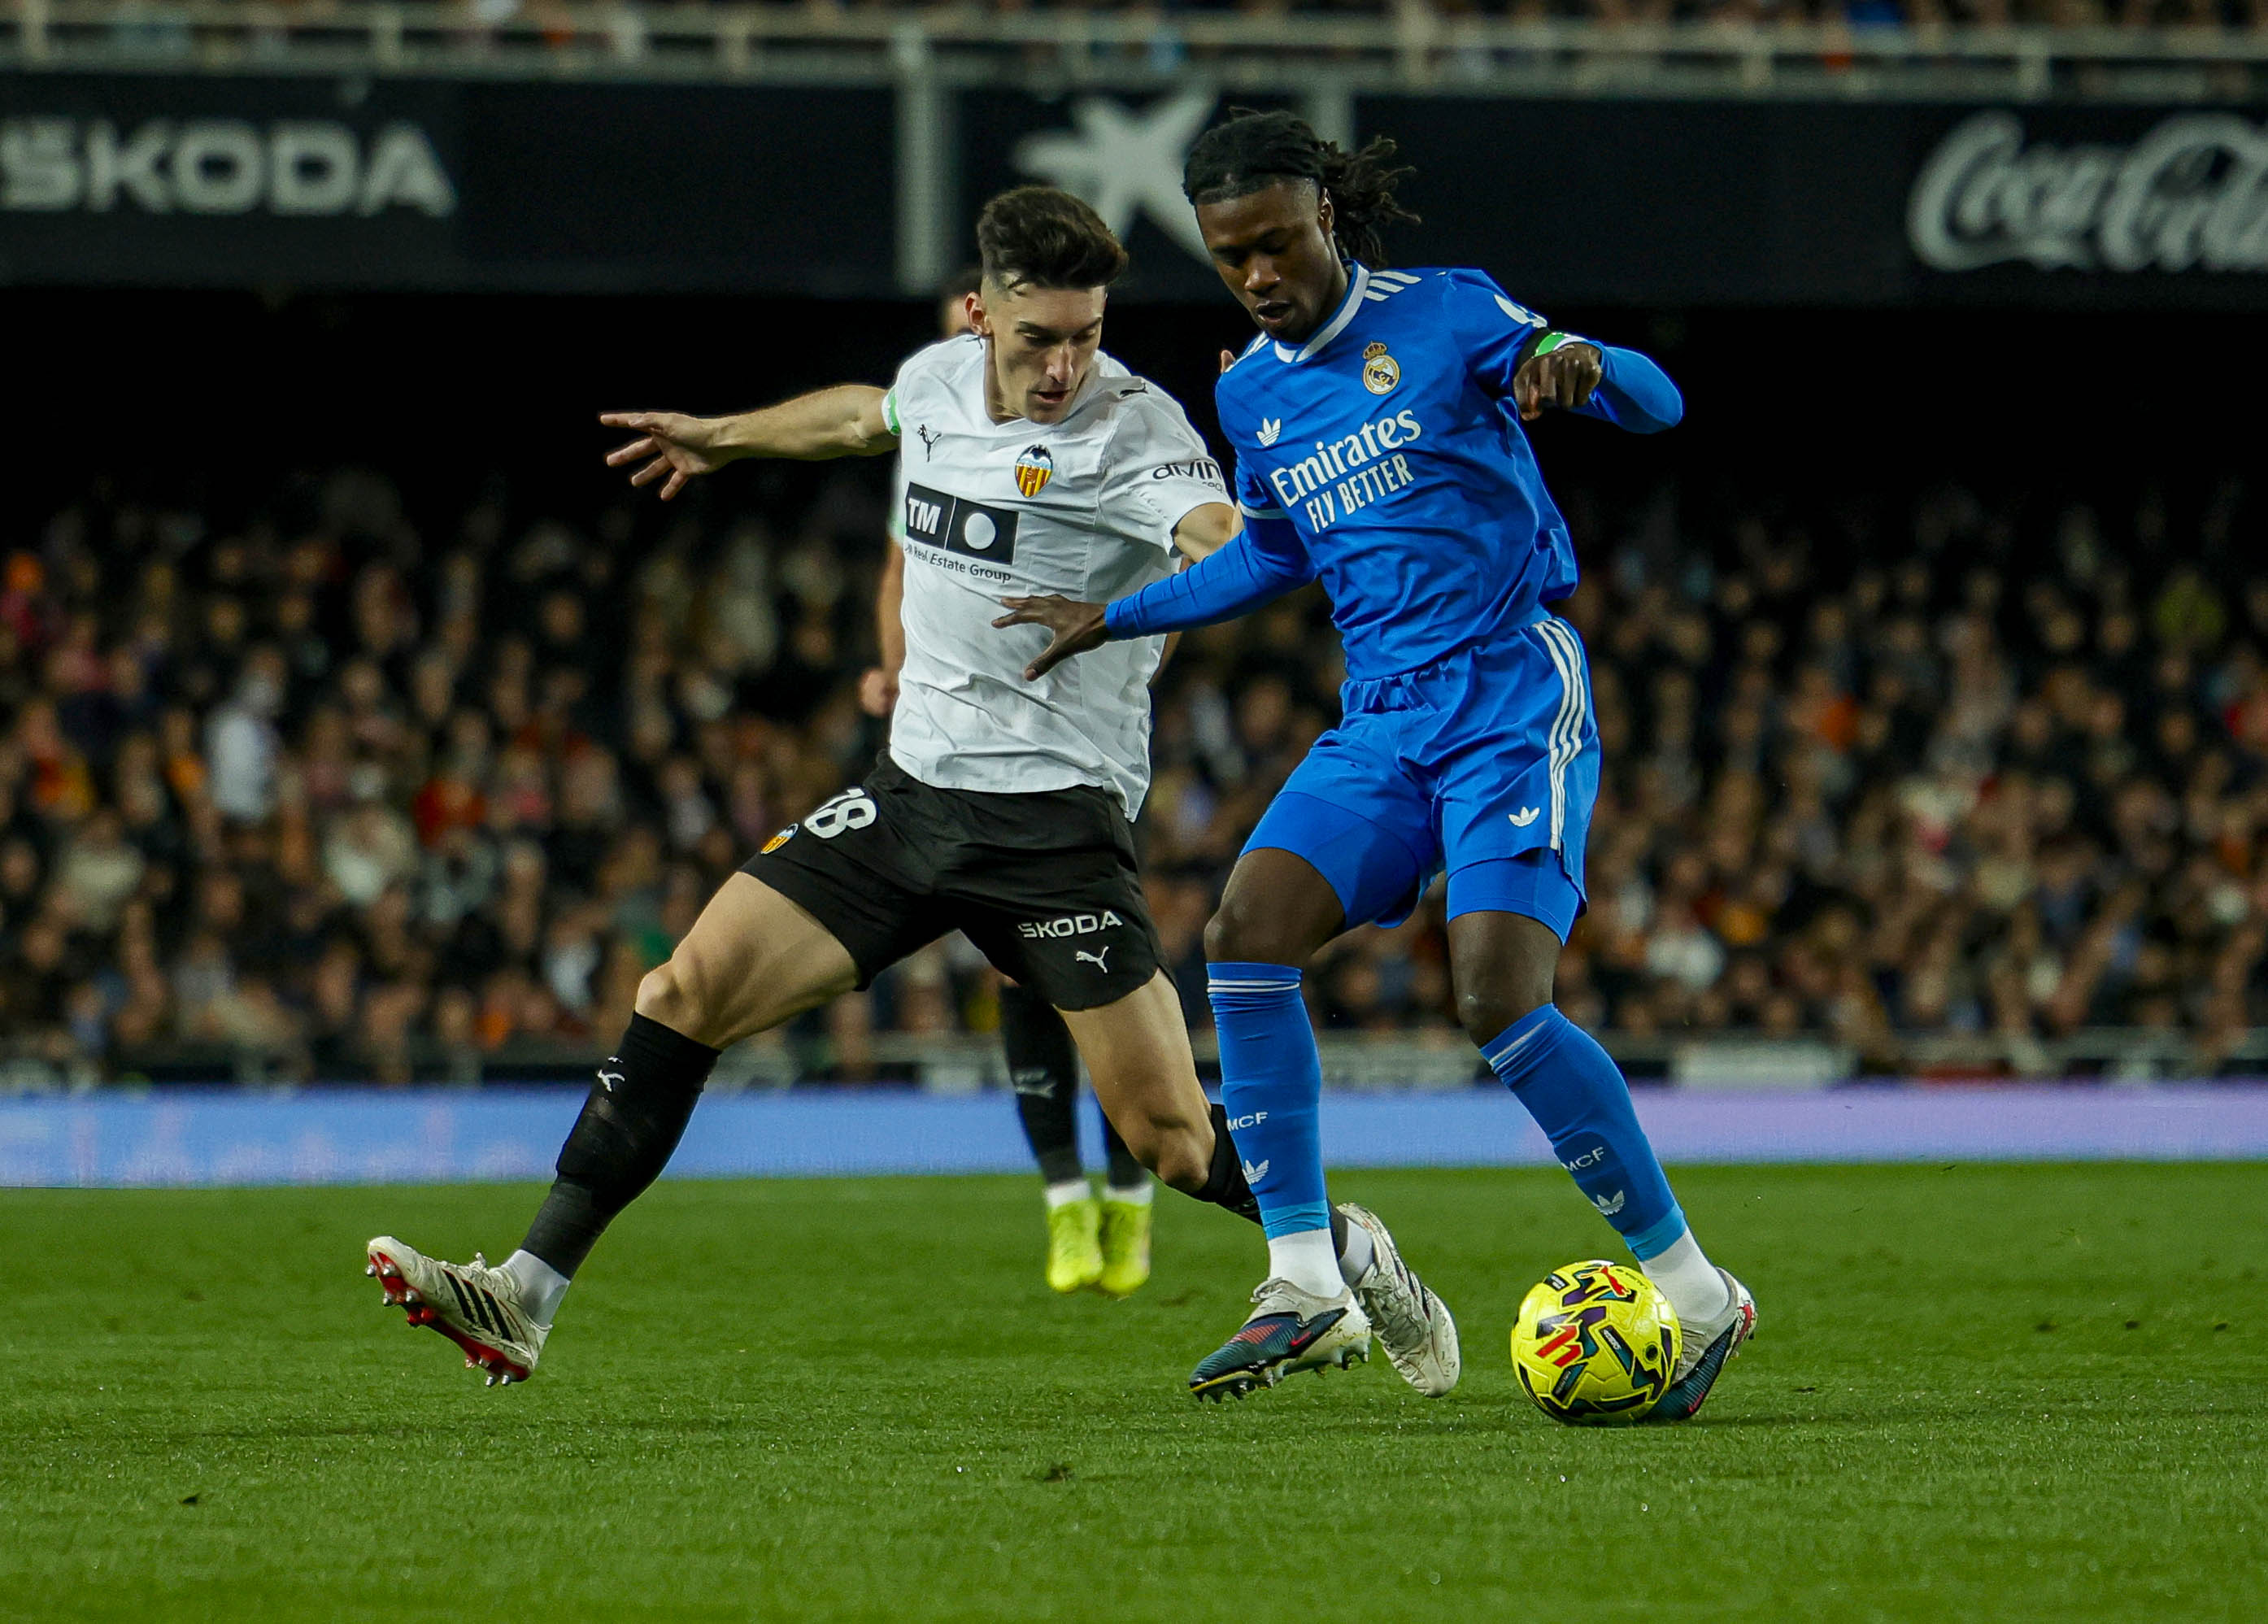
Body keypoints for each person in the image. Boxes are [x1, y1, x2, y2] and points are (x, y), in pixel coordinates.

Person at [364, 186, 1457, 1403]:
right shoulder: (941, 377)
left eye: (1086, 335)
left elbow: (1222, 534)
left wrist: (1251, 528)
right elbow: (865, 419)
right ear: (981, 313)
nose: (1062, 367)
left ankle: (1351, 1253)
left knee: (1171, 1141)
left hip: (1055, 829)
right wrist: (725, 437)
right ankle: (525, 1292)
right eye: (1036, 338)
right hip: (909, 799)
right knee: (680, 989)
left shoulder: (1135, 434)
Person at [1000, 112, 1756, 1417]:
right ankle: (1304, 1277)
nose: (1256, 277)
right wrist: (1116, 611)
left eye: (1276, 245)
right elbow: (1275, 553)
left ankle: (1694, 1291)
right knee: (1243, 934)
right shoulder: (1252, 392)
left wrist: (1580, 359)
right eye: (1230, 256)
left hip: (1509, 690)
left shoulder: (1452, 314)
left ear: (1325, 224)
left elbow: (1658, 400)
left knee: (1496, 1001)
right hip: (1385, 719)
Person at [860, 266, 1155, 1299]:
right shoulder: (935, 426)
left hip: (1077, 757)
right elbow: (903, 567)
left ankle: (1133, 1192)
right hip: (961, 751)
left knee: (1110, 985)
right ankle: (1066, 1200)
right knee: (1016, 971)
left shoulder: (1114, 433)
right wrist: (890, 662)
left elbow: (1193, 546)